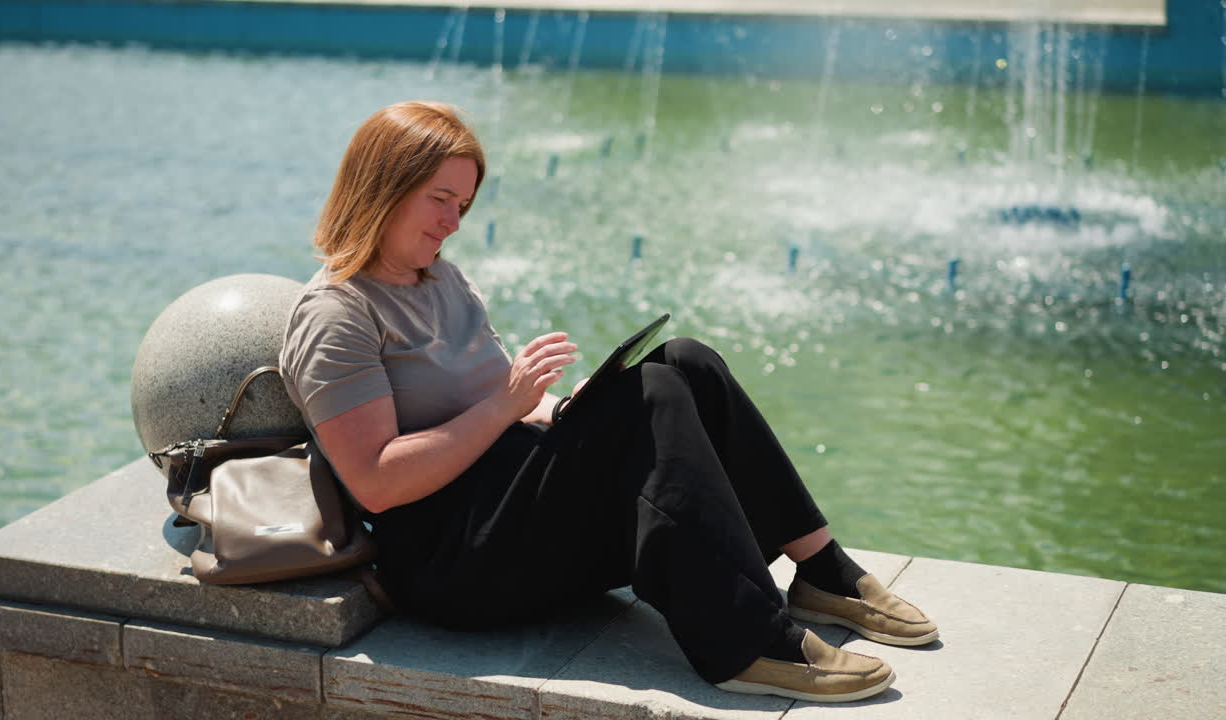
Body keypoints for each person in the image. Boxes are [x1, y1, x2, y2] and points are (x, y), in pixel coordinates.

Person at [279, 101, 938, 704]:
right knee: (650, 395)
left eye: (465, 205)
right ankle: (747, 642)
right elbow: (377, 482)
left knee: (686, 362)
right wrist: (509, 405)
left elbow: (503, 405)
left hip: (509, 508)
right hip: (450, 561)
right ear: (384, 187)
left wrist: (564, 405)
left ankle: (822, 571)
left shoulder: (444, 281)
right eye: (440, 199)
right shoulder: (339, 314)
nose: (454, 222)